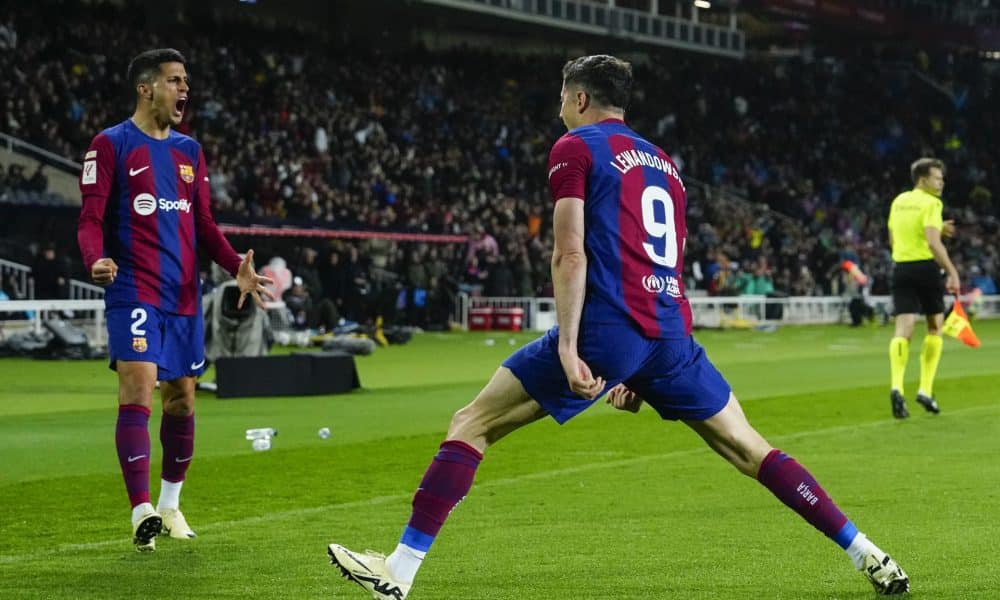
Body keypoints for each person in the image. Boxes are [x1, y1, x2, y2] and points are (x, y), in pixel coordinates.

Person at [327, 55, 910, 598]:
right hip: (669, 333)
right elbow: (666, 258)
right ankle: (868, 552)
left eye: (562, 97)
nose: (560, 107)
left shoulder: (575, 147)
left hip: (611, 328)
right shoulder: (666, 165)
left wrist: (574, 348)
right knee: (748, 447)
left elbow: (570, 254)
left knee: (472, 423)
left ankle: (397, 572)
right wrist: (637, 366)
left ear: (580, 98)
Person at [77, 48, 272, 552]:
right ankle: (140, 510)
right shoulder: (110, 145)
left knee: (182, 400)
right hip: (133, 287)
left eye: (186, 80)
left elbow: (203, 225)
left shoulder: (190, 151)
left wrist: (236, 268)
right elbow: (90, 219)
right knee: (138, 387)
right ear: (146, 88)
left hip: (184, 292)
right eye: (174, 80)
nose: (184, 88)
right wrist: (95, 258)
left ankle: (169, 503)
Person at [886, 157, 959, 418]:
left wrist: (937, 228)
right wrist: (952, 271)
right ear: (923, 179)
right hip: (926, 269)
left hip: (901, 267)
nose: (941, 183)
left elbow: (893, 238)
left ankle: (896, 387)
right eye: (937, 178)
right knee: (934, 327)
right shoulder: (931, 203)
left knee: (902, 330)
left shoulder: (899, 201)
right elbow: (932, 242)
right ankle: (926, 389)